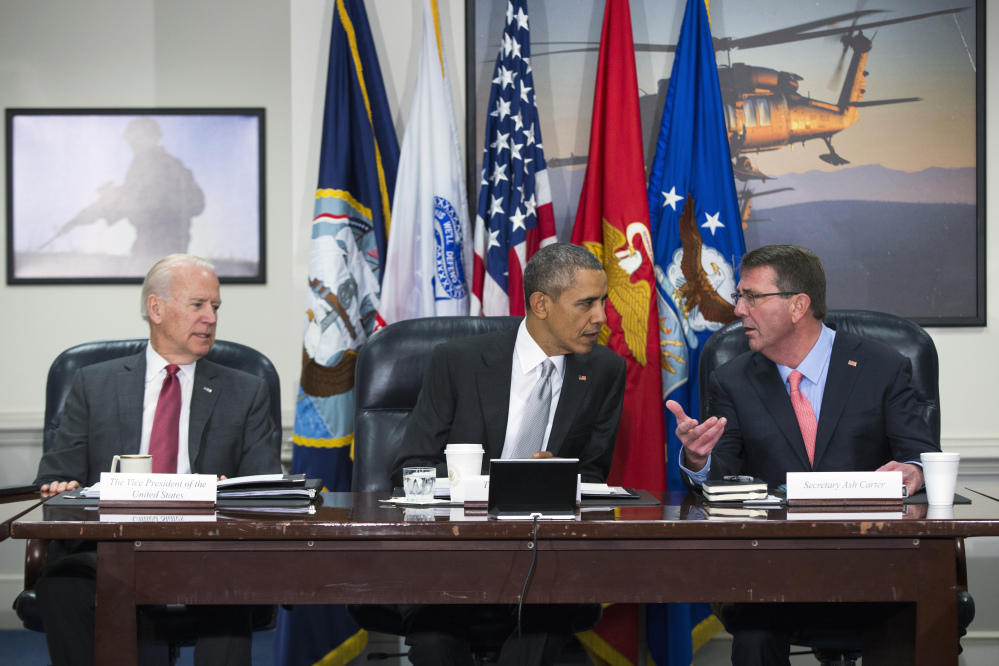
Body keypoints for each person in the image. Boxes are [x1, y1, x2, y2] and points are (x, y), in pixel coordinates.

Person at [666, 244, 939, 666]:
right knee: (755, 633)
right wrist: (700, 461)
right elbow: (724, 478)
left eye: (751, 297)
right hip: (773, 567)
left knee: (916, 616)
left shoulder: (882, 366)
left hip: (871, 562)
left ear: (798, 305)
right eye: (740, 297)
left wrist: (914, 470)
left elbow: (921, 454)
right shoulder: (732, 378)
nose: (738, 310)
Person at [34, 254, 280, 666]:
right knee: (63, 586)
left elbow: (265, 489)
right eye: (198, 304)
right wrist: (63, 487)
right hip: (108, 549)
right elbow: (58, 475)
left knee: (234, 583)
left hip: (208, 549)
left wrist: (230, 493)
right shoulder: (93, 383)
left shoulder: (246, 390)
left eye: (215, 307)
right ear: (156, 308)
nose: (211, 318)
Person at [391, 242, 627, 666]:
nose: (601, 318)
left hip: (546, 563)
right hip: (452, 557)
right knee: (436, 646)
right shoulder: (458, 361)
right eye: (586, 304)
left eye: (602, 302)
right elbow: (412, 467)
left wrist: (559, 479)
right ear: (540, 303)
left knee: (538, 634)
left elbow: (592, 475)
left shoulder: (605, 371)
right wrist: (493, 485)